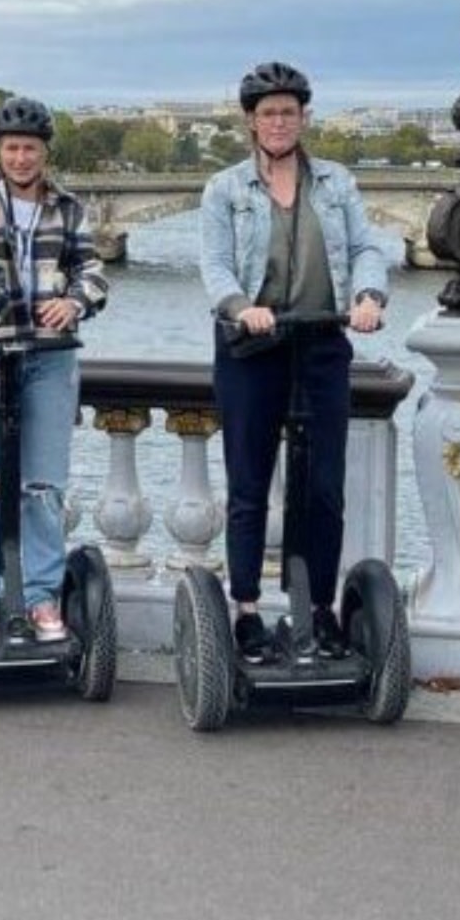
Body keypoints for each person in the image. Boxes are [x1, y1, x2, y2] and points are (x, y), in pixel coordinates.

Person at [197, 62, 389, 662]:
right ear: (251, 122)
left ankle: (318, 608)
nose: (279, 122)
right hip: (253, 348)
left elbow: (364, 247)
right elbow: (215, 264)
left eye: (289, 112)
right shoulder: (225, 189)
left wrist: (368, 296)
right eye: (268, 113)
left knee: (323, 488)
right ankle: (248, 609)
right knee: (250, 484)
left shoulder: (335, 183)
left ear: (304, 118)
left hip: (322, 344)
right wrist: (239, 305)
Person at [0, 96, 109, 646]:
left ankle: (41, 597)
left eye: (30, 148)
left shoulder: (70, 209)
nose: (20, 157)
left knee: (43, 486)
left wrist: (76, 302)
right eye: (11, 148)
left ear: (44, 153)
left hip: (51, 357)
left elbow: (95, 272)